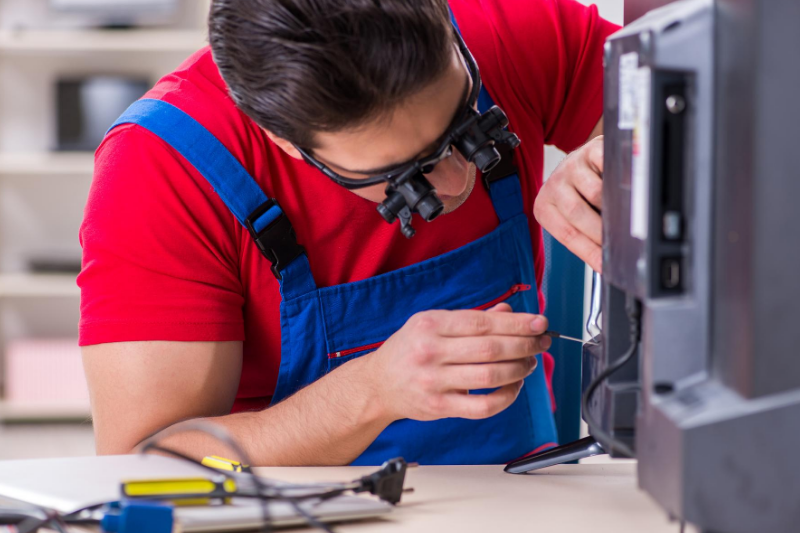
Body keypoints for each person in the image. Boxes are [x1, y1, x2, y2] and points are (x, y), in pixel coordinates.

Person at [79, 0, 617, 465]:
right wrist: (371, 391)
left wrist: (626, 157)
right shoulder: (161, 170)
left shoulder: (504, 27)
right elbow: (148, 465)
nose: (458, 181)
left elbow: (688, 119)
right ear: (285, 142)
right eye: (405, 178)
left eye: (467, 126)